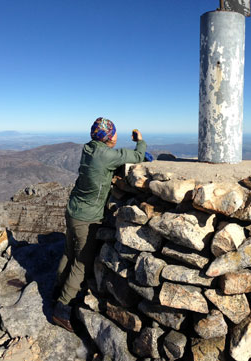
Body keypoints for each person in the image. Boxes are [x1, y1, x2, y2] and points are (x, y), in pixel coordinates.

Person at [51, 117, 146, 330]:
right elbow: (138, 155)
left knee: (69, 251)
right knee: (82, 262)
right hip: (87, 217)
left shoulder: (89, 149)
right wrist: (139, 141)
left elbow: (109, 155)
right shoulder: (106, 155)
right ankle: (62, 308)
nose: (115, 137)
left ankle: (57, 290)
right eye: (113, 134)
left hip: (73, 210)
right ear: (107, 137)